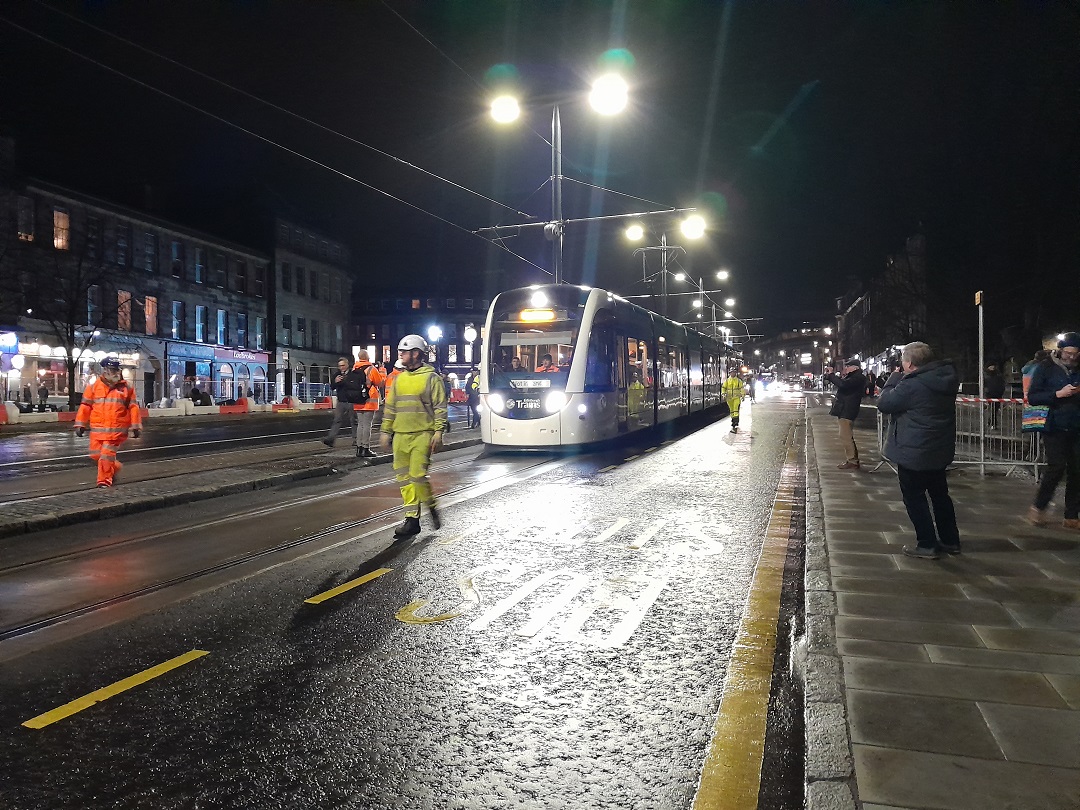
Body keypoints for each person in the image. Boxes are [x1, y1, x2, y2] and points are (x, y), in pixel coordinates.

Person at [877, 342, 961, 560]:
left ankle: (926, 543)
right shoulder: (945, 379)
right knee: (940, 495)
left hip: (914, 451)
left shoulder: (912, 384)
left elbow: (885, 403)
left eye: (903, 362)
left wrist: (892, 380)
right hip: (938, 448)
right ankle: (950, 540)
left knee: (914, 497)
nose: (902, 366)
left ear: (911, 364)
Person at [380, 335, 448, 538]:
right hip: (400, 435)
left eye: (404, 351)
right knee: (404, 478)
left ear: (416, 354)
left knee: (417, 476)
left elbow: (440, 408)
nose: (400, 354)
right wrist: (385, 431)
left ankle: (431, 506)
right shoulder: (400, 379)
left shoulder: (431, 378)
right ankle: (412, 520)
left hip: (422, 434)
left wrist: (438, 432)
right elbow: (390, 408)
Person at [1026, 333, 1080, 529]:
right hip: (1054, 425)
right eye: (1068, 353)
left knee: (1077, 470)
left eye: (1076, 354)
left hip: (1076, 425)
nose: (1072, 358)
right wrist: (1058, 394)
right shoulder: (1046, 368)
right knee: (1056, 467)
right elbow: (1033, 397)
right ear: (1061, 351)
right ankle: (1039, 506)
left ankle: (1072, 515)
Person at [74, 357, 142, 488]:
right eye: (112, 369)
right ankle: (113, 467)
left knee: (106, 456)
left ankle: (104, 481)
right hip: (97, 431)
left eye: (117, 369)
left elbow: (133, 407)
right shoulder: (93, 387)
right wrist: (80, 423)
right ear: (105, 370)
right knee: (96, 455)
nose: (116, 372)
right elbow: (85, 406)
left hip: (116, 431)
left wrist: (136, 426)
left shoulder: (126, 388)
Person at [824, 357, 867, 469]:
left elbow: (843, 385)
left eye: (848, 366)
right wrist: (830, 375)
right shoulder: (853, 377)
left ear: (855, 368)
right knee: (846, 436)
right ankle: (853, 459)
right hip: (845, 409)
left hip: (848, 410)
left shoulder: (858, 378)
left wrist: (832, 375)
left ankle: (852, 461)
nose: (846, 368)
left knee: (845, 436)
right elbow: (842, 383)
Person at [352, 350, 385, 458]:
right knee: (367, 426)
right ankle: (365, 448)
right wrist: (382, 370)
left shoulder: (354, 368)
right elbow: (380, 382)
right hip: (369, 401)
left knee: (360, 425)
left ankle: (358, 449)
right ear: (367, 357)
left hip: (357, 400)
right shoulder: (371, 369)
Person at [324, 356, 362, 447]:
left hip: (351, 401)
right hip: (341, 401)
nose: (341, 368)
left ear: (347, 365)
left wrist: (346, 381)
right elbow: (332, 386)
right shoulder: (337, 374)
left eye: (343, 365)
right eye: (340, 366)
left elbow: (356, 386)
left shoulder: (353, 374)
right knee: (337, 420)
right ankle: (330, 439)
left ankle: (356, 440)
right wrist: (336, 381)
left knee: (354, 421)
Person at [721, 368, 746, 433]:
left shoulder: (738, 381)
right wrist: (723, 394)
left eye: (734, 372)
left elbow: (741, 388)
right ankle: (733, 421)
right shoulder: (727, 381)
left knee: (735, 410)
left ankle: (735, 423)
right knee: (732, 411)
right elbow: (723, 388)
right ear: (730, 373)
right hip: (729, 399)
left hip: (736, 398)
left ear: (735, 373)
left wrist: (743, 395)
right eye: (731, 372)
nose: (733, 373)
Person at [983, 362, 1006, 429]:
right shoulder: (989, 377)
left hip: (995, 395)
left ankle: (991, 422)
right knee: (993, 410)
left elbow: (1002, 386)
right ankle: (993, 423)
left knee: (994, 410)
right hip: (992, 395)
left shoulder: (996, 377)